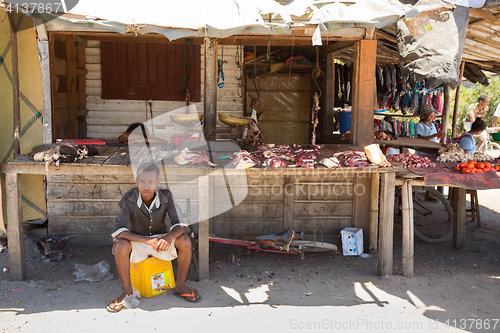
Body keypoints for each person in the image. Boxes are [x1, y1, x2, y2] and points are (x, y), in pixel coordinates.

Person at [106, 163, 200, 312]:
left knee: (185, 240)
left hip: (161, 241)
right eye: (142, 182)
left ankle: (180, 285)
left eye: (151, 182)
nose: (146, 186)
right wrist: (144, 240)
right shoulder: (129, 198)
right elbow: (118, 230)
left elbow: (181, 225)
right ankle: (127, 291)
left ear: (158, 182)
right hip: (138, 242)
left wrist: (169, 237)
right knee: (121, 245)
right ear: (137, 182)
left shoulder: (166, 196)